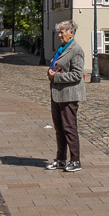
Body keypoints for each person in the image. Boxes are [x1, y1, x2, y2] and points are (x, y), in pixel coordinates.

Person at [46, 21, 85, 172]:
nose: (59, 35)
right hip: (57, 94)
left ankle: (75, 160)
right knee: (59, 128)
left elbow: (77, 74)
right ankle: (61, 159)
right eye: (59, 33)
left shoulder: (76, 50)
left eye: (62, 33)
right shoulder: (62, 49)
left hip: (69, 94)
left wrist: (56, 76)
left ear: (71, 33)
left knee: (69, 128)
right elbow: (55, 66)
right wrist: (51, 73)